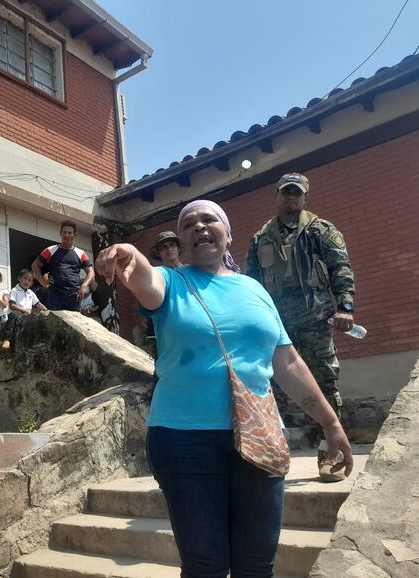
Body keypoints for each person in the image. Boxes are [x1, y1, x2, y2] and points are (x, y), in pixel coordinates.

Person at [95, 199, 352, 578]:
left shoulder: (256, 291)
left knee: (257, 565)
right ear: (181, 241)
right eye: (188, 224)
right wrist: (130, 255)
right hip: (184, 442)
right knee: (206, 566)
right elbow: (144, 279)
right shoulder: (172, 281)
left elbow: (288, 362)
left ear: (228, 235)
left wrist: (330, 424)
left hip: (259, 435)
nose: (199, 227)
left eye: (209, 219)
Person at [245, 173, 356, 482]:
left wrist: (345, 306)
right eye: (286, 192)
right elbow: (250, 283)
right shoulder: (260, 238)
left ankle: (329, 451)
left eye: (297, 193)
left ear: (305, 198)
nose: (291, 197)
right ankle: (270, 453)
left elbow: (341, 268)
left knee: (324, 382)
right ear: (276, 195)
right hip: (276, 325)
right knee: (270, 388)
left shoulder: (321, 230)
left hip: (314, 320)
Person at [32, 220, 94, 311]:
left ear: (74, 235)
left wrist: (84, 286)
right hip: (54, 295)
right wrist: (43, 282)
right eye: (64, 232)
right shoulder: (50, 250)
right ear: (60, 233)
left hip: (74, 296)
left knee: (73, 324)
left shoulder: (81, 253)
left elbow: (91, 272)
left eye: (70, 233)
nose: (67, 235)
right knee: (53, 323)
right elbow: (34, 265)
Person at [145, 231, 182, 357]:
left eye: (172, 245)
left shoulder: (190, 273)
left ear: (178, 248)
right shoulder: (155, 275)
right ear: (159, 253)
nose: (169, 249)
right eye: (163, 247)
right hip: (163, 331)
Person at [1, 268, 47, 350]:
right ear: (19, 278)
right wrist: (24, 310)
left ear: (32, 283)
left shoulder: (31, 293)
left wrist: (48, 311)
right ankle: (7, 339)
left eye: (29, 280)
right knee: (13, 315)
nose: (26, 281)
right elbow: (12, 305)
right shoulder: (15, 290)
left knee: (39, 320)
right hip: (17, 313)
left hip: (27, 316)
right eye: (24, 278)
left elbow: (38, 304)